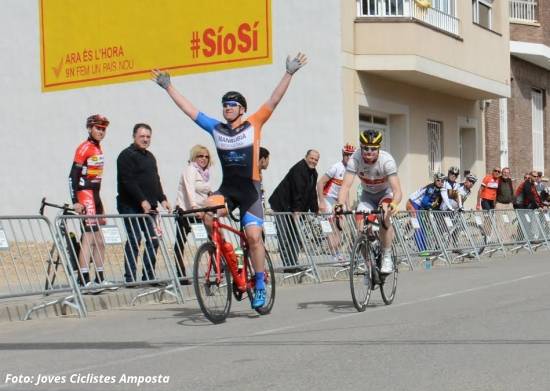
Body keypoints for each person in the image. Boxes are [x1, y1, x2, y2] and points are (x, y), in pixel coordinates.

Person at [152, 53, 307, 309]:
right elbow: (191, 111)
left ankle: (258, 282)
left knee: (254, 237)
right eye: (225, 104)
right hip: (228, 189)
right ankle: (224, 256)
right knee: (207, 214)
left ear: (242, 109)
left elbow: (274, 99)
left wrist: (289, 73)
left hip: (250, 192)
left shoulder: (254, 124)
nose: (227, 108)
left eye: (232, 105)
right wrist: (169, 86)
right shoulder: (217, 129)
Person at [336, 130, 402, 274]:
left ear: (379, 148)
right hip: (367, 195)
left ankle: (386, 256)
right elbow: (345, 186)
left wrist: (394, 204)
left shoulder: (387, 161)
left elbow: (397, 191)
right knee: (361, 230)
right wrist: (339, 205)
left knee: (384, 216)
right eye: (365, 147)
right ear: (361, 147)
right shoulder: (355, 159)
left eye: (373, 148)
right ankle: (369, 266)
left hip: (385, 194)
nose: (369, 151)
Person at [117, 123, 171, 284]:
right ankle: (130, 278)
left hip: (150, 207)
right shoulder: (126, 156)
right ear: (134, 136)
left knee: (153, 239)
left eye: (148, 137)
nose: (145, 139)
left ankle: (148, 276)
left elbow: (155, 180)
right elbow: (128, 181)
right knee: (134, 239)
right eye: (142, 136)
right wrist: (142, 200)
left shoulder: (150, 157)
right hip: (130, 205)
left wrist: (162, 199)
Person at [68, 114, 115, 290]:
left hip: (95, 195)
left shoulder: (98, 149)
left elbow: (97, 181)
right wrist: (75, 201)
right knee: (89, 238)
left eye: (103, 129)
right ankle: (84, 280)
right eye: (98, 128)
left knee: (100, 241)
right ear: (89, 128)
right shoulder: (84, 148)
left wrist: (100, 204)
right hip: (84, 195)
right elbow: (72, 176)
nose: (101, 132)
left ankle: (100, 279)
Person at [269, 150, 320, 271]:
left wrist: (315, 209)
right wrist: (296, 210)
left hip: (296, 209)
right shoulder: (299, 169)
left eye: (316, 159)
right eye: (311, 158)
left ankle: (294, 263)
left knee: (296, 236)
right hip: (283, 206)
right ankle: (288, 265)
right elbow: (297, 191)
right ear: (306, 157)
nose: (313, 161)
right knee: (285, 235)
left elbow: (312, 193)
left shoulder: (313, 173)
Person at [173, 145, 213, 285]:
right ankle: (180, 273)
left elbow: (206, 192)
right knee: (180, 242)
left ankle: (214, 270)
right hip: (187, 210)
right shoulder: (190, 169)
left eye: (206, 156)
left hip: (202, 211)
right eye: (200, 156)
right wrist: (195, 208)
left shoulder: (205, 172)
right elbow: (190, 189)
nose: (203, 159)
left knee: (211, 239)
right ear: (194, 157)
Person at [406, 172, 445, 252]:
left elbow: (436, 204)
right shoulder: (431, 188)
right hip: (413, 204)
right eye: (438, 180)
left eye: (442, 181)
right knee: (419, 228)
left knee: (423, 227)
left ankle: (423, 247)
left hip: (420, 206)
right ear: (435, 180)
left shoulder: (439, 189)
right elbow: (424, 202)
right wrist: (430, 207)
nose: (440, 182)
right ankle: (422, 250)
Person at [317, 143, 356, 213]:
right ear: (343, 155)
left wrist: (348, 207)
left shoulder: (351, 170)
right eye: (346, 154)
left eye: (351, 155)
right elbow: (320, 183)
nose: (349, 157)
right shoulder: (336, 167)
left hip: (339, 200)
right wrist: (322, 202)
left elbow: (346, 190)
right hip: (328, 198)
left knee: (342, 221)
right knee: (332, 217)